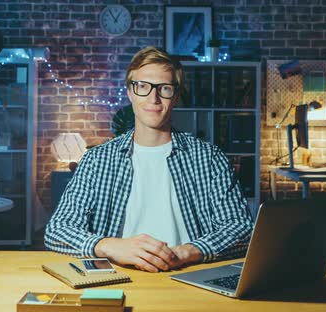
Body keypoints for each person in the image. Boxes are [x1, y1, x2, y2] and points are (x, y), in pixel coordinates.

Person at [45, 46, 253, 272]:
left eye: (164, 88)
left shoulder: (209, 159)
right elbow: (58, 230)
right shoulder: (98, 160)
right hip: (117, 278)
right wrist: (110, 246)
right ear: (130, 93)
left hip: (189, 279)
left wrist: (186, 251)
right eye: (143, 86)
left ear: (176, 96)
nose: (153, 98)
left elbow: (241, 229)